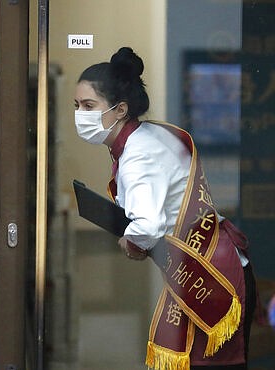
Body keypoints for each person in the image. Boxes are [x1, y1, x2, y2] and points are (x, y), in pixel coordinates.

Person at [73, 47, 257, 370]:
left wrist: (131, 242)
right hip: (213, 267)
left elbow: (148, 225)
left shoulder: (138, 154)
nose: (80, 114)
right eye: (77, 106)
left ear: (120, 110)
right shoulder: (146, 136)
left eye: (89, 106)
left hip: (212, 282)